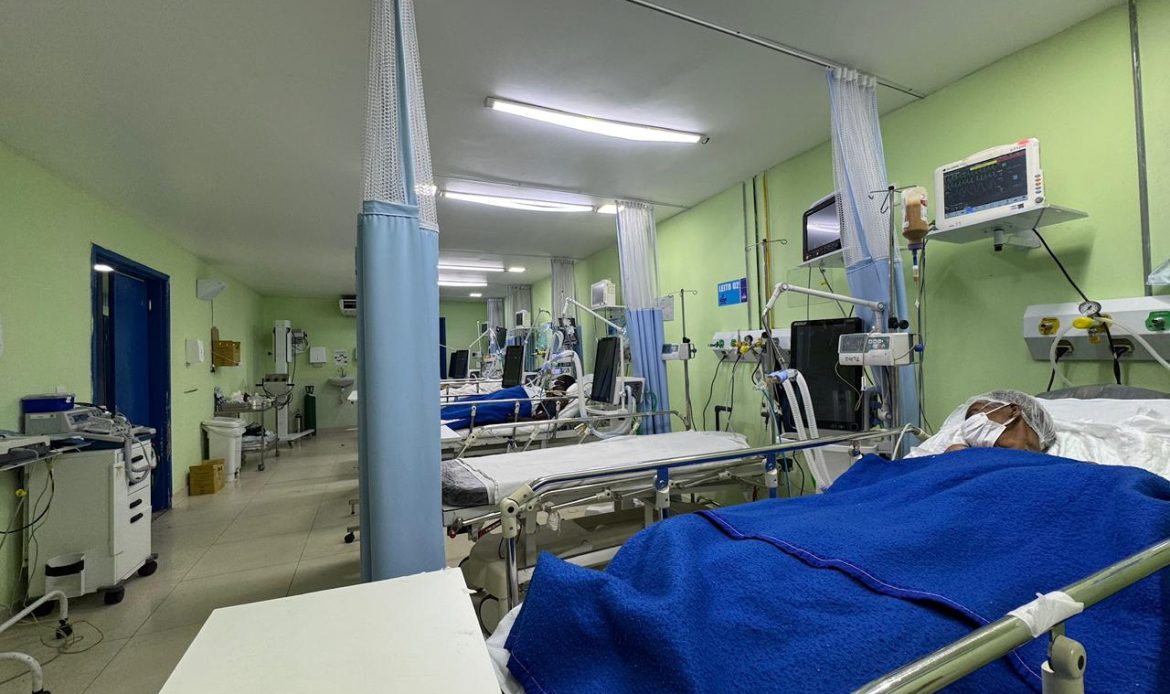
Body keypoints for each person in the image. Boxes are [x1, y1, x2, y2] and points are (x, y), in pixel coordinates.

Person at [909, 389, 1056, 457]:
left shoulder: (1054, 467)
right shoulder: (963, 454)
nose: (968, 426)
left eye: (974, 414)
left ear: (1013, 410)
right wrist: (956, 457)